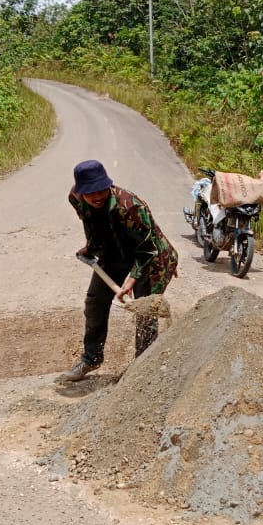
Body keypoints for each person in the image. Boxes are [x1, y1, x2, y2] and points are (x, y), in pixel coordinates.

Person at [59, 160, 178, 382]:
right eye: (90, 193)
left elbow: (147, 248)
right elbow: (92, 224)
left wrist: (132, 280)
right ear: (81, 191)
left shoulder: (130, 206)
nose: (97, 197)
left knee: (145, 310)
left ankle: (143, 367)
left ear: (109, 185)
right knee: (95, 302)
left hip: (152, 257)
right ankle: (91, 358)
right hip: (115, 253)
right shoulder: (76, 199)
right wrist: (91, 247)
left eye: (101, 190)